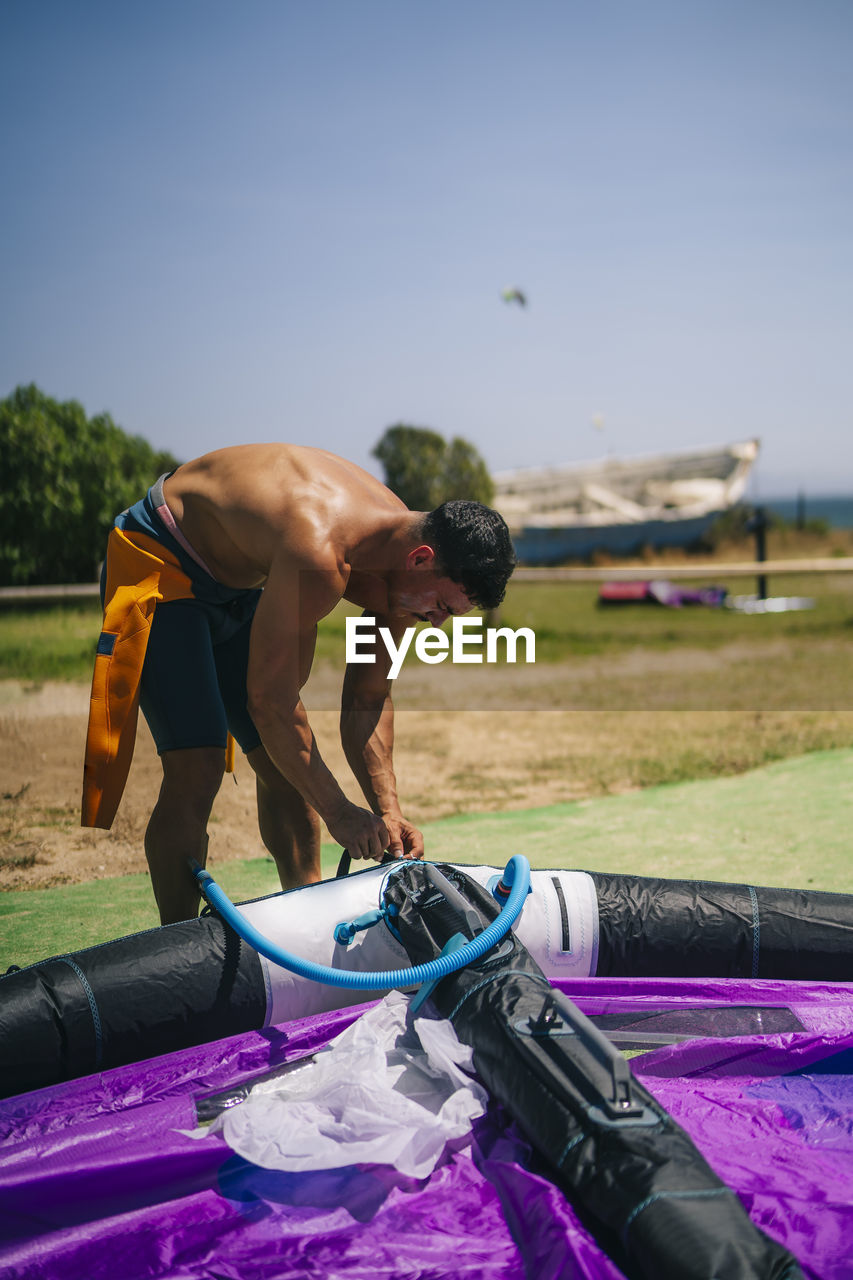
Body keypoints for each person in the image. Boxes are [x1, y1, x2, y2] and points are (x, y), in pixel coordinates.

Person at [81, 443, 516, 925]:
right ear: (420, 559)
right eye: (442, 608)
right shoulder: (322, 547)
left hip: (240, 580)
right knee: (198, 767)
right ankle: (177, 948)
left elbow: (368, 697)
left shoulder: (404, 570)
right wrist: (338, 811)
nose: (436, 624)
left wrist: (387, 813)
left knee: (285, 768)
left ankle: (308, 915)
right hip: (159, 557)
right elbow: (270, 702)